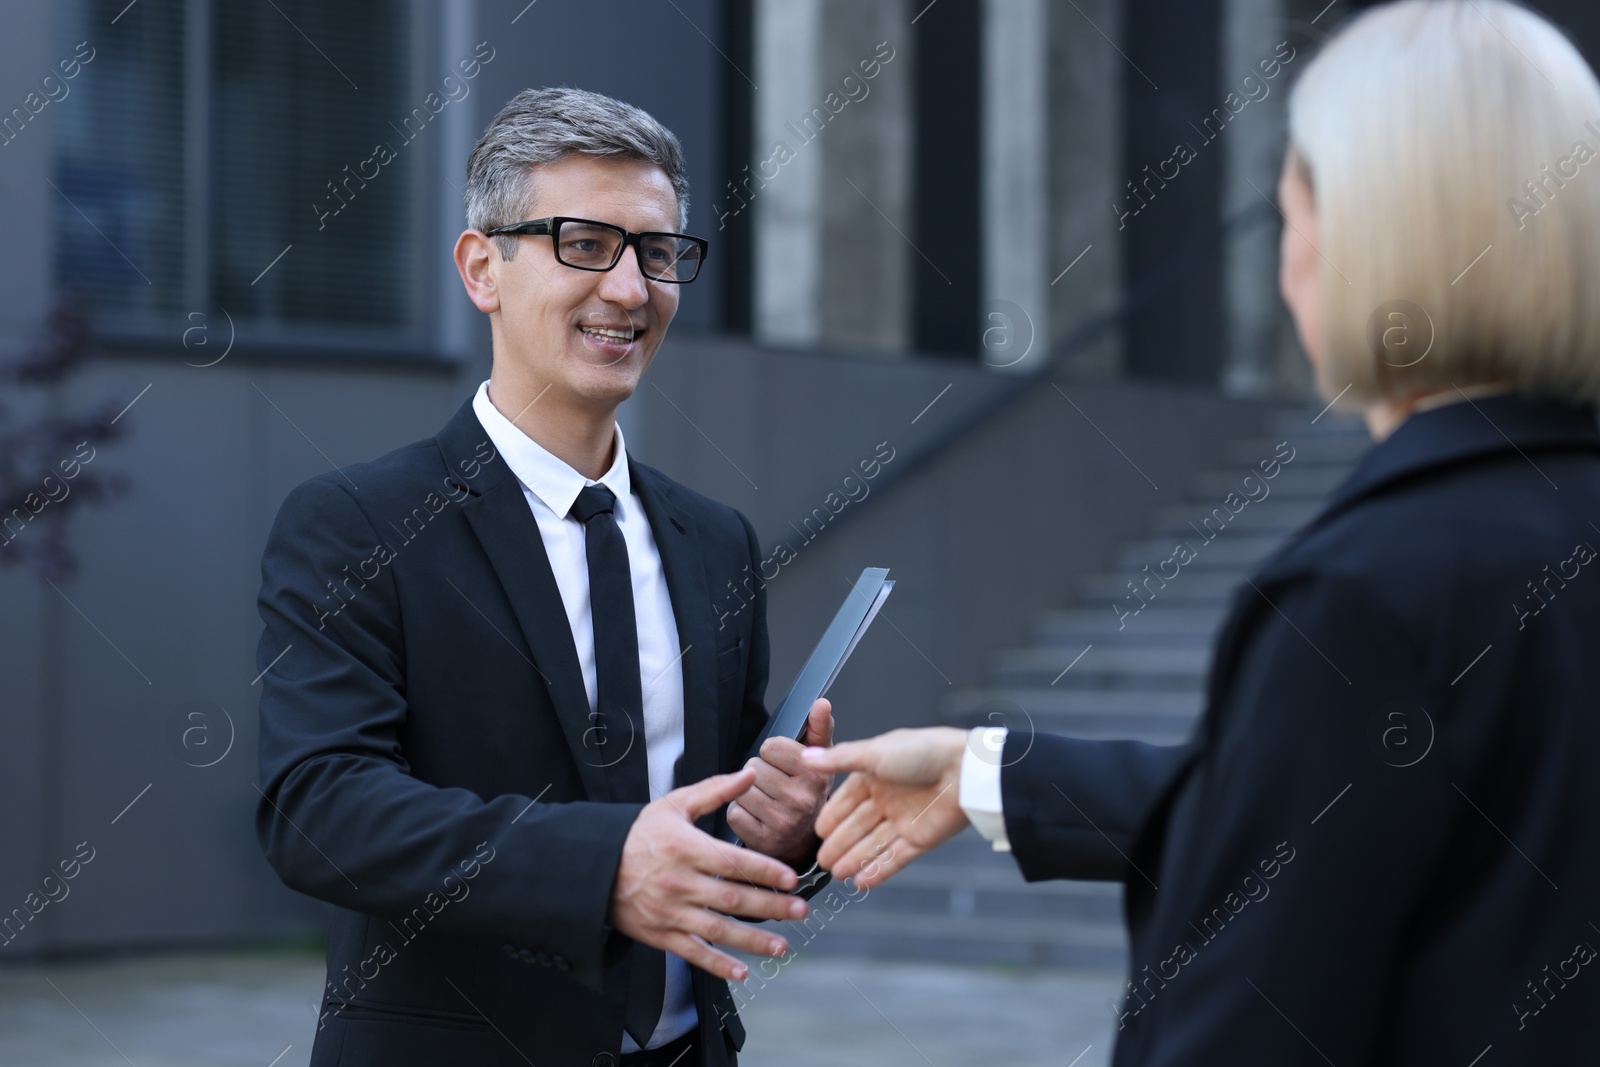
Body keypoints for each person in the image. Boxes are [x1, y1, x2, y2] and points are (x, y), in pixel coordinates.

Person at [803, 2, 1600, 1062]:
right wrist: (985, 772)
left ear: (1364, 236)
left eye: (1291, 212)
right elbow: (1330, 808)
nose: (1285, 263)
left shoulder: (1367, 593)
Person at [254, 87, 833, 1067]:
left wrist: (785, 828)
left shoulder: (714, 539)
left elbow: (712, 799)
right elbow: (320, 806)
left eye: (656, 252)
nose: (628, 288)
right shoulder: (356, 521)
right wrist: (604, 865)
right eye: (583, 243)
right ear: (483, 267)